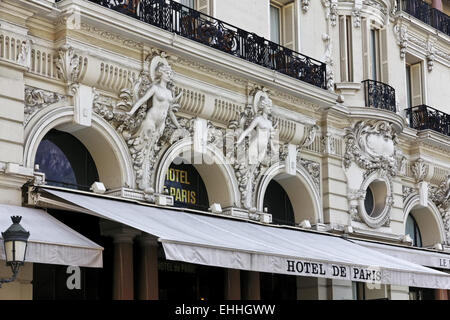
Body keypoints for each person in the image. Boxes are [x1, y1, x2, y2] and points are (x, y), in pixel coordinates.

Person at [127, 62, 181, 142]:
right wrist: (131, 111)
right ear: (161, 73)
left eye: (170, 74)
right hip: (151, 119)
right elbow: (143, 100)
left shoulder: (169, 93)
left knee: (152, 145)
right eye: (166, 73)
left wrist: (178, 125)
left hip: (161, 123)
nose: (169, 75)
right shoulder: (155, 88)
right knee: (144, 141)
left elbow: (170, 112)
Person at [236, 94, 274, 165]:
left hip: (263, 148)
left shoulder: (270, 123)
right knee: (248, 166)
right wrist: (239, 141)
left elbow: (270, 138)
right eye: (268, 106)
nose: (270, 108)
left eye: (271, 107)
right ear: (263, 107)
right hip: (255, 145)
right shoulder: (258, 119)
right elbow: (248, 130)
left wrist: (274, 150)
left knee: (254, 169)